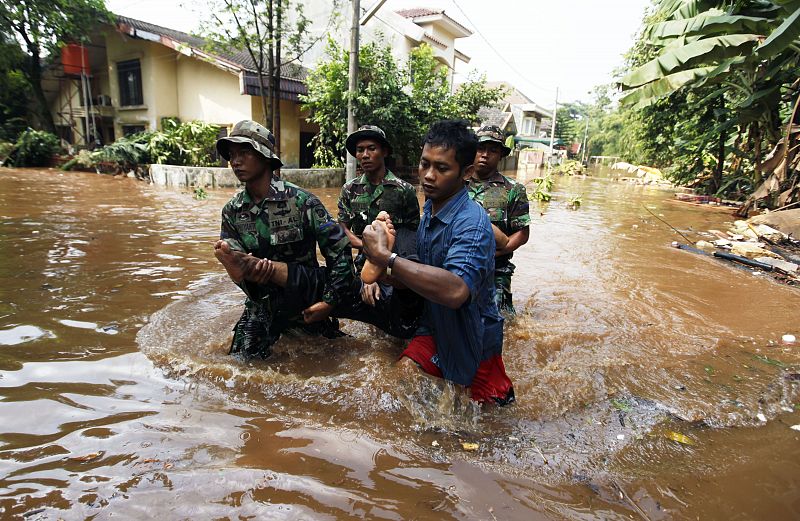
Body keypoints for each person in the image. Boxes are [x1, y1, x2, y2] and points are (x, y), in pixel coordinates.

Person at [361, 120, 515, 405]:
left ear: (466, 173)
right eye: (424, 164)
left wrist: (387, 258)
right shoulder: (432, 206)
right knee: (401, 379)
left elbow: (456, 291)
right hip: (435, 324)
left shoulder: (472, 223)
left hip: (473, 337)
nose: (429, 176)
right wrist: (386, 274)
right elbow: (425, 273)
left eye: (442, 168)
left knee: (487, 420)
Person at [213, 120, 356, 359]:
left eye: (244, 153)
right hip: (262, 305)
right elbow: (238, 266)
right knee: (238, 366)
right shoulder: (233, 210)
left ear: (265, 157)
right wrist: (231, 261)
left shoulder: (302, 202)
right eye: (232, 155)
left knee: (336, 360)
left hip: (305, 301)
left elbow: (340, 254)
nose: (235, 161)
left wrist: (329, 303)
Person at [466, 125, 531, 315]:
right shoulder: (454, 183)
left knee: (500, 321)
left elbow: (522, 232)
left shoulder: (513, 189)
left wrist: (499, 251)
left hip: (497, 269)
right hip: (457, 264)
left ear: (501, 155)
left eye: (492, 150)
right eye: (480, 148)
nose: (485, 154)